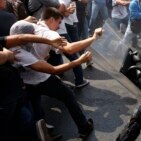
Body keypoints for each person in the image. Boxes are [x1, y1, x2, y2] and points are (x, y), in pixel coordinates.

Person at [9, 7, 103, 138]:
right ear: (51, 19)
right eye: (59, 22)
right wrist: (92, 39)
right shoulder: (24, 49)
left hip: (24, 80)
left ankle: (43, 131)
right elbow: (65, 54)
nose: (59, 27)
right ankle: (84, 127)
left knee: (35, 103)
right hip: (39, 77)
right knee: (67, 95)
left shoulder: (19, 33)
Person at [0, 34, 66, 141]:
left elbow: (21, 38)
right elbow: (53, 70)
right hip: (5, 103)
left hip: (17, 94)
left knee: (28, 121)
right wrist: (7, 55)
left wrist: (50, 41)